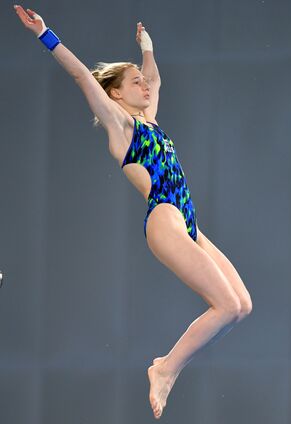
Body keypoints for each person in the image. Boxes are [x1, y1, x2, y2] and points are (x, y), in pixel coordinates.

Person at [14, 5, 252, 419]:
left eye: (145, 83)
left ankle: (169, 367)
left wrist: (147, 51)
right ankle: (165, 368)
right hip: (165, 217)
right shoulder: (122, 127)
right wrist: (45, 34)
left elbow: (155, 79)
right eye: (136, 83)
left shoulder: (151, 120)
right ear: (116, 95)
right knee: (226, 307)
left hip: (188, 222)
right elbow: (81, 76)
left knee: (242, 306)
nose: (146, 86)